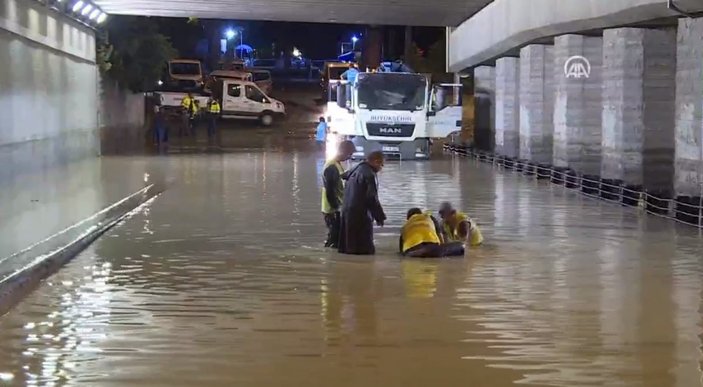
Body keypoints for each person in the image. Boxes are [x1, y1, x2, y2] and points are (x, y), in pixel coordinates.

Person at [338, 151, 386, 255]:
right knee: (364, 250)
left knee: (348, 246)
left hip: (346, 211)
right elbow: (372, 198)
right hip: (360, 215)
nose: (381, 167)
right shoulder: (369, 174)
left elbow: (342, 176)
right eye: (381, 164)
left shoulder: (355, 169)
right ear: (376, 162)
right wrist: (379, 216)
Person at [321, 140, 356, 248]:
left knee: (337, 238)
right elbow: (330, 190)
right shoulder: (331, 166)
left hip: (335, 208)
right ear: (343, 151)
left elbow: (339, 180)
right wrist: (336, 208)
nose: (349, 157)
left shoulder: (336, 165)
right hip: (331, 209)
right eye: (349, 154)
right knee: (334, 239)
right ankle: (328, 259)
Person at [399, 208, 465, 258]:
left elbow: (401, 251)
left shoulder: (405, 226)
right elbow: (441, 240)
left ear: (408, 218)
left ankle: (418, 252)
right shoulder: (428, 217)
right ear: (421, 213)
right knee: (461, 245)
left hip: (411, 252)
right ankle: (423, 252)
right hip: (431, 249)